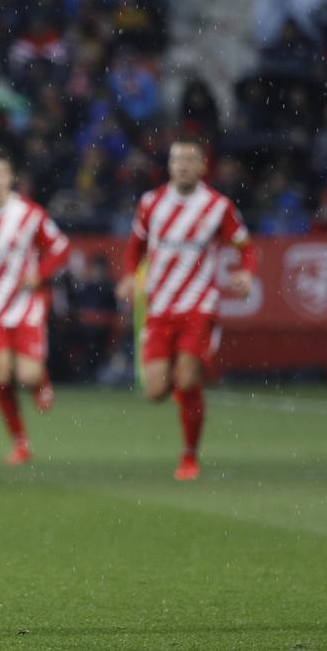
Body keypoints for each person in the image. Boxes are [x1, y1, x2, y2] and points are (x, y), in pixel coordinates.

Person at [116, 137, 258, 481]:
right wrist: (129, 278)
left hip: (199, 305)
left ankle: (189, 456)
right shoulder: (151, 203)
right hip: (160, 307)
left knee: (188, 379)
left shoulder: (217, 206)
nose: (182, 165)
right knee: (155, 391)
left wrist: (246, 274)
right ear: (169, 165)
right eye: (177, 159)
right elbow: (135, 248)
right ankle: (188, 397)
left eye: (189, 159)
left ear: (202, 166)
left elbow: (245, 246)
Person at [0, 149, 70, 465]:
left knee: (27, 375)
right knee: (2, 373)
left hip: (25, 304)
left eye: (1, 174)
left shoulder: (30, 214)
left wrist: (40, 275)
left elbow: (60, 249)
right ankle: (20, 442)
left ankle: (41, 381)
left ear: (12, 179)